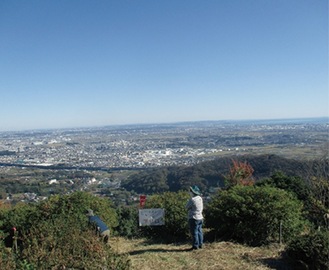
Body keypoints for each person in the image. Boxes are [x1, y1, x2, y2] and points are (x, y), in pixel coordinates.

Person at [186, 185, 204, 250]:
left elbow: (186, 207)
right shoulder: (200, 198)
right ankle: (200, 244)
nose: (189, 192)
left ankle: (195, 246)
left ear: (192, 192)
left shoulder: (192, 199)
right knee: (199, 231)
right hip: (200, 216)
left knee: (194, 232)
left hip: (193, 217)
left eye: (190, 191)